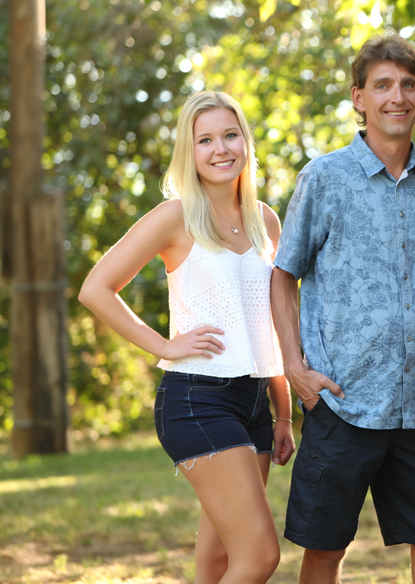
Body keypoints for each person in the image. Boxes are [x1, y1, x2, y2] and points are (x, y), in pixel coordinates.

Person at [79, 91, 295, 584]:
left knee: (220, 561)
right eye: (205, 140)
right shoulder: (175, 216)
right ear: (189, 151)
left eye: (230, 135)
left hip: (256, 401)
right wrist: (164, 346)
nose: (220, 149)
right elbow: (96, 289)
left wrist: (282, 411)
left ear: (246, 142)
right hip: (197, 399)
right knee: (260, 556)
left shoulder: (266, 220)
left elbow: (274, 320)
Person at [271, 33, 415, 584]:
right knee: (324, 549)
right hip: (342, 399)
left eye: (407, 85)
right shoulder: (325, 178)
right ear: (359, 97)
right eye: (382, 85)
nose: (396, 96)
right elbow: (283, 276)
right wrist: (295, 368)